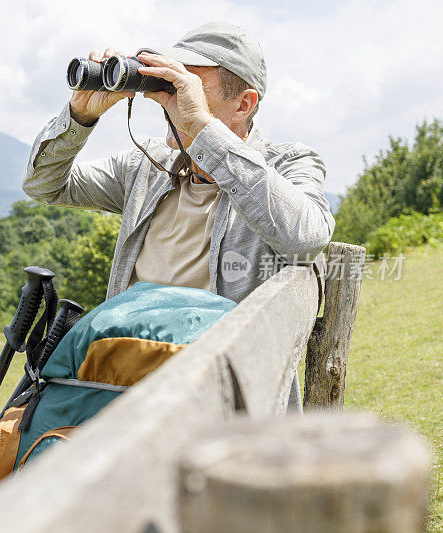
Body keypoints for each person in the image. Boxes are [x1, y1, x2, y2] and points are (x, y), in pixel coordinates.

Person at [22, 21, 336, 410]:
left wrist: (202, 130)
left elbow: (305, 235)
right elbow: (44, 186)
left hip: (219, 399)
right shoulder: (146, 166)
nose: (173, 98)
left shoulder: (288, 163)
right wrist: (79, 117)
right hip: (123, 387)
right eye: (170, 84)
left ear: (243, 104)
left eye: (189, 87)